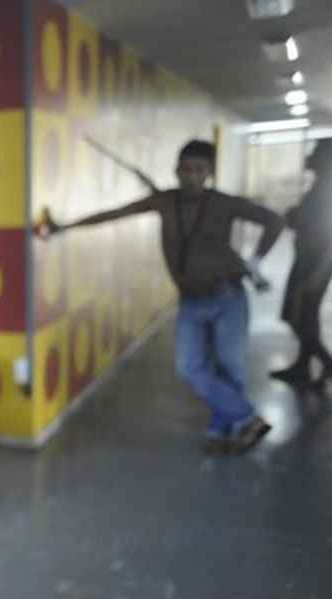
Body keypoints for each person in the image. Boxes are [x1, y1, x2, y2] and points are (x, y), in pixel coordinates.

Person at [43, 139, 285, 454]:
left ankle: (221, 430)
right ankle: (246, 418)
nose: (192, 177)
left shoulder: (224, 203)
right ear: (176, 170)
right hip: (190, 300)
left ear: (210, 173)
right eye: (186, 170)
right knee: (189, 368)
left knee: (229, 370)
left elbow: (275, 221)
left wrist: (255, 261)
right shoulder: (164, 201)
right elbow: (113, 213)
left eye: (200, 170)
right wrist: (63, 227)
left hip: (228, 296)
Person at [270, 138, 332, 388]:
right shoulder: (319, 187)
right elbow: (306, 222)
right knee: (304, 317)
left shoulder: (329, 189)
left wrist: (317, 272)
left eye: (317, 152)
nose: (311, 156)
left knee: (300, 318)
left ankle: (328, 362)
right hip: (306, 261)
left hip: (315, 264)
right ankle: (302, 366)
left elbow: (331, 234)